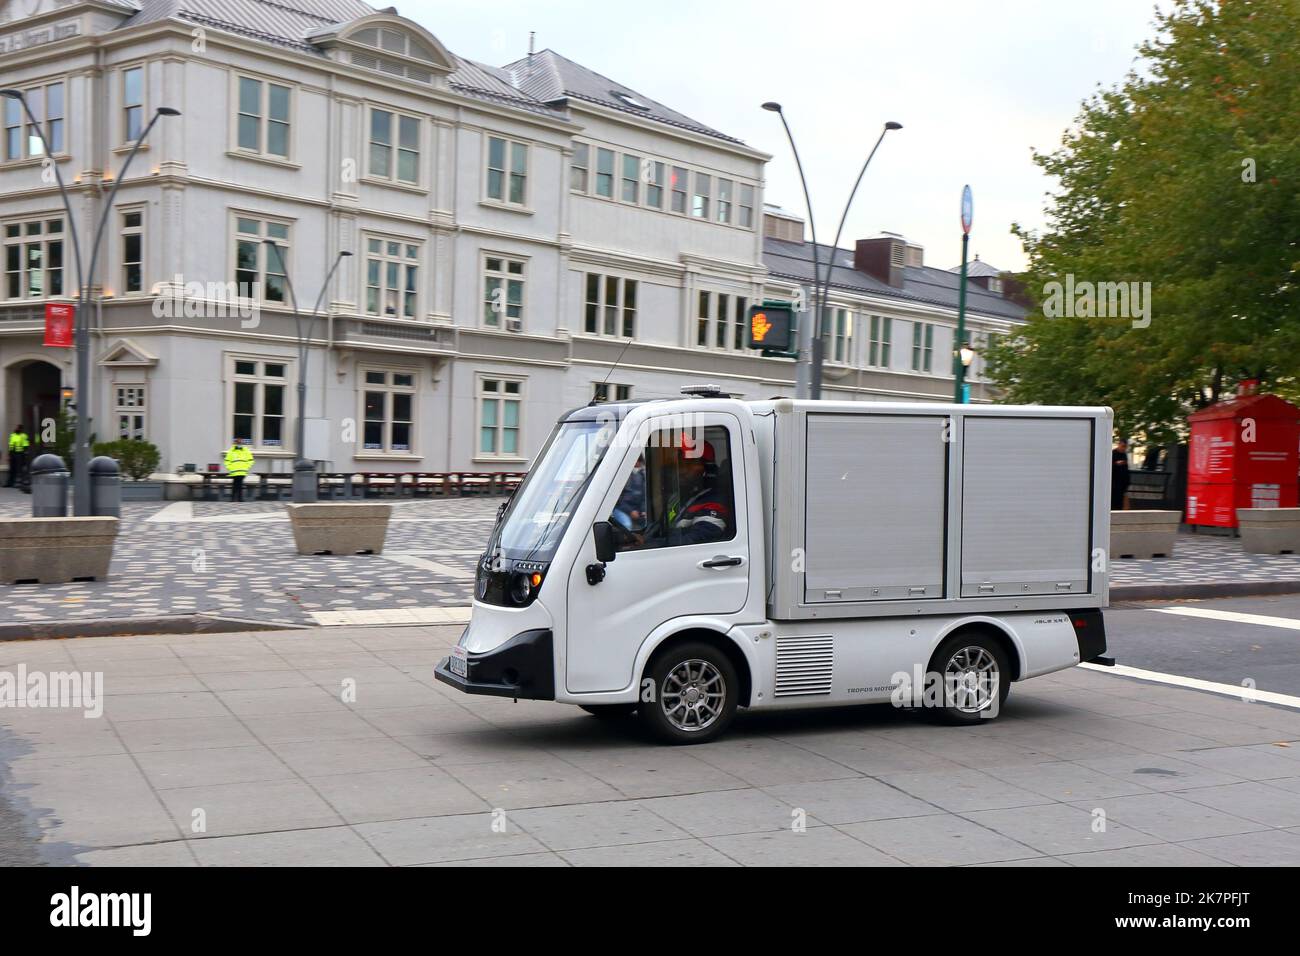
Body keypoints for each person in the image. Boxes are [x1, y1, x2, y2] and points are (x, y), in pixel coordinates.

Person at [666, 437, 731, 545]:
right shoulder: (682, 496)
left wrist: (652, 543)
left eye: (689, 463)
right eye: (680, 464)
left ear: (707, 468)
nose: (681, 470)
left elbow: (694, 541)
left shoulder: (715, 500)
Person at [1111, 439, 1130, 510]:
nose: (1124, 448)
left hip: (1121, 485)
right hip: (1114, 484)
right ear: (1119, 445)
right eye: (1123, 446)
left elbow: (1126, 469)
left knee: (1119, 505)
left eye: (1125, 447)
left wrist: (1127, 483)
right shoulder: (1113, 453)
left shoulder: (1124, 455)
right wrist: (1116, 464)